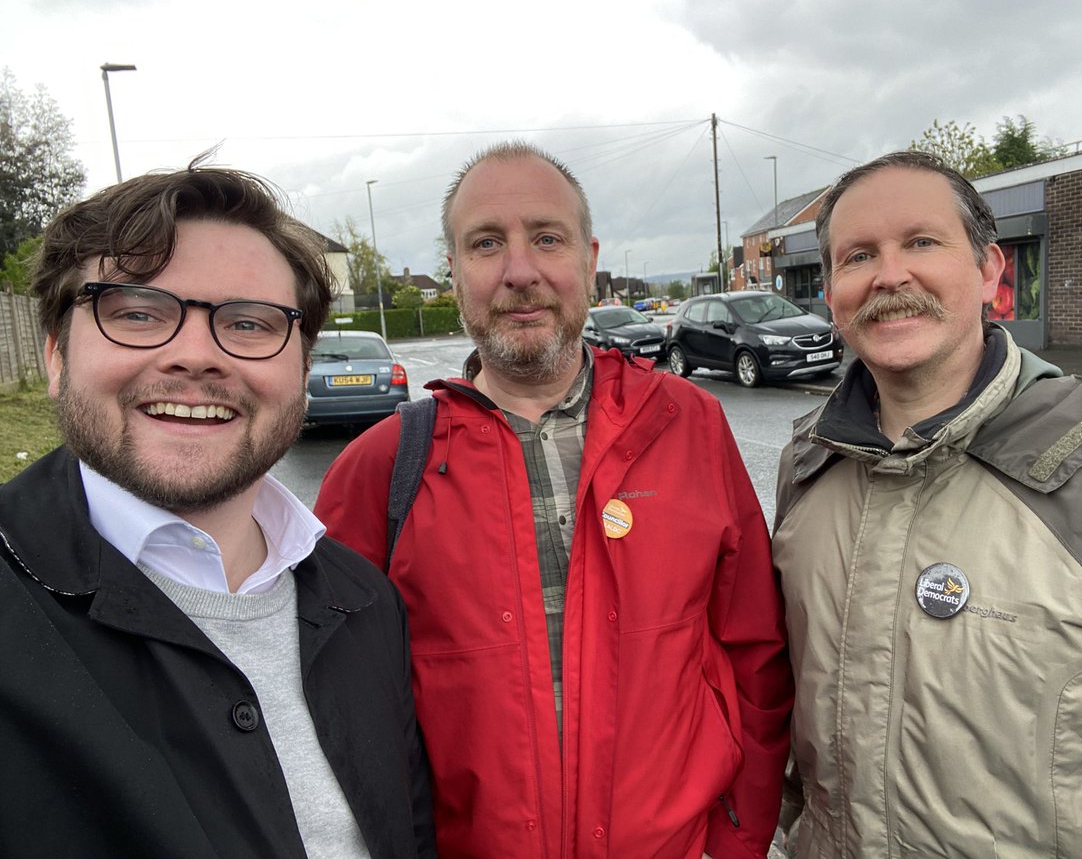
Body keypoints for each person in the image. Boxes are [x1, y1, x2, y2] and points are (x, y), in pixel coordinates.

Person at [315, 141, 792, 858]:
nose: (520, 272)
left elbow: (755, 655)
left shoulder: (689, 423)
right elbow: (344, 713)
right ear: (454, 272)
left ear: (588, 259)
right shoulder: (378, 470)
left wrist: (741, 841)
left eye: (546, 238)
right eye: (485, 244)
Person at [0, 162, 435, 858]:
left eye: (250, 322)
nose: (195, 355)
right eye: (137, 312)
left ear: (299, 365)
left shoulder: (366, 605)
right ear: (56, 354)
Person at [772, 150, 1082, 857]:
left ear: (989, 271)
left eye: (921, 242)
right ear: (831, 291)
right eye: (857, 256)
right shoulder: (809, 465)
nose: (889, 275)